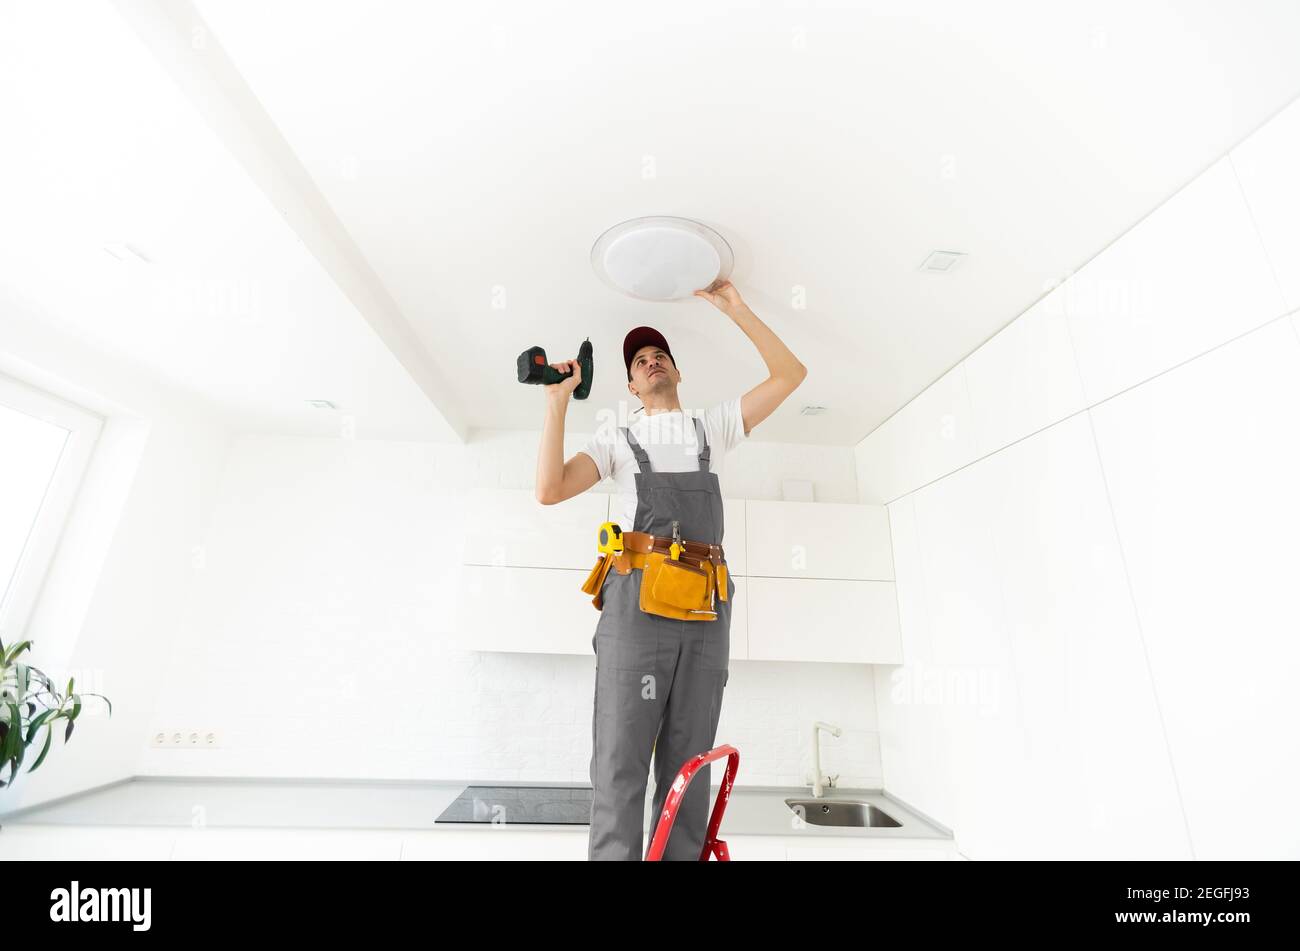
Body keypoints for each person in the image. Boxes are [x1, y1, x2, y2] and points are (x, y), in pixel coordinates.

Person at [534, 280, 807, 860]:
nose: (651, 360)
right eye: (639, 360)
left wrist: (739, 308)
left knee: (689, 769)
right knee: (619, 762)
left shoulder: (714, 428)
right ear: (631, 385)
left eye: (660, 355)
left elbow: (790, 375)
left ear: (677, 373)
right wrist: (558, 402)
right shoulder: (618, 438)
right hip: (637, 607)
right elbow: (549, 489)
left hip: (706, 611)